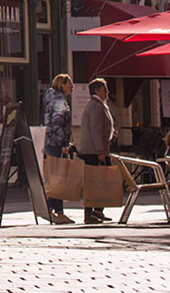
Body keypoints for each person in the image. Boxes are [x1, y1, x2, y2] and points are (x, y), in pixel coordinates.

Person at [74, 79, 115, 224]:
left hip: (96, 149)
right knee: (96, 181)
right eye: (104, 89)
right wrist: (101, 151)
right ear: (97, 91)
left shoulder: (98, 105)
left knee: (100, 180)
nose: (107, 92)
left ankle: (97, 211)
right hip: (94, 151)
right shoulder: (96, 106)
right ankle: (91, 213)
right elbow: (96, 130)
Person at [41, 74, 75, 224]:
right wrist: (63, 144)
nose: (72, 86)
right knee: (59, 178)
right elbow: (57, 123)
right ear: (62, 85)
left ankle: (54, 210)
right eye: (70, 83)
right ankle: (55, 211)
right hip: (55, 143)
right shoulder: (59, 101)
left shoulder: (52, 99)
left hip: (49, 142)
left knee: (56, 178)